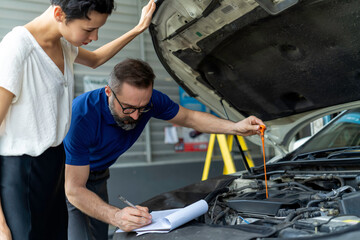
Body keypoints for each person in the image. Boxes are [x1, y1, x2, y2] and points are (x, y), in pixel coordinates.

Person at [0, 0, 156, 239]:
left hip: (54, 164)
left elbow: (95, 59)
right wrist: (1, 225)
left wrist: (137, 29)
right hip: (22, 173)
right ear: (59, 14)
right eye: (88, 29)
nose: (94, 37)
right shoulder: (16, 49)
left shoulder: (63, 45)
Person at [64, 58, 266, 239]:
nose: (136, 116)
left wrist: (235, 127)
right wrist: (116, 215)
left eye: (142, 108)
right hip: (67, 176)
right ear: (108, 91)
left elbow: (189, 118)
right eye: (128, 108)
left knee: (99, 234)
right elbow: (74, 189)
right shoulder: (81, 116)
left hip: (99, 173)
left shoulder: (151, 102)